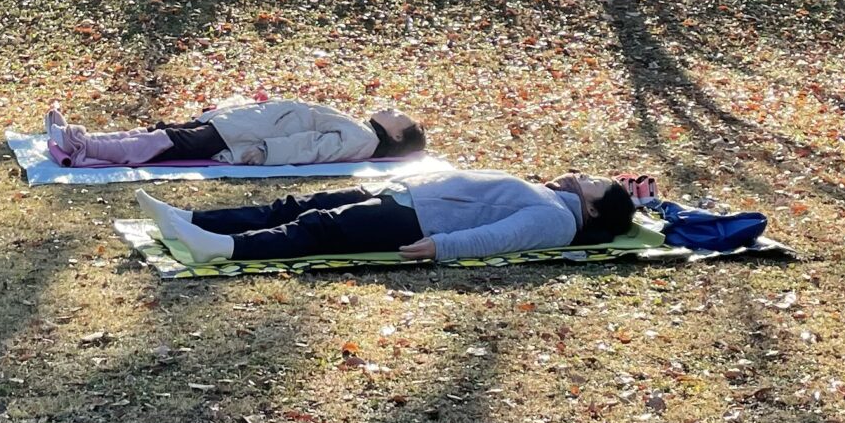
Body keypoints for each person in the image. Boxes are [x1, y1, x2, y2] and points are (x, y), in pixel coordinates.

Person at [134, 170, 639, 265]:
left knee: (318, 232)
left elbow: (501, 236)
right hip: (403, 193)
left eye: (594, 183)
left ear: (593, 208)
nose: (580, 176)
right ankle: (193, 217)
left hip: (417, 220)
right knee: (295, 207)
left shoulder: (555, 219)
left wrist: (445, 247)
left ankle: (220, 247)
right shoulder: (551, 196)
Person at [45, 96, 427, 169]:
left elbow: (310, 148)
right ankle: (82, 140)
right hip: (238, 124)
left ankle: (81, 145)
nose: (392, 109)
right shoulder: (360, 128)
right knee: (160, 133)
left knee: (161, 143)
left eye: (399, 116)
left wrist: (264, 151)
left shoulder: (362, 139)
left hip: (242, 138)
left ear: (396, 137)